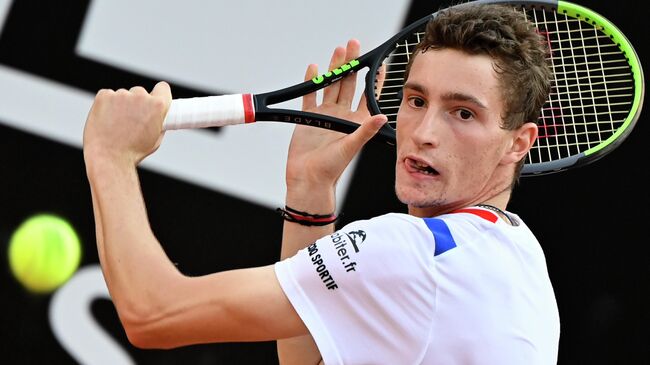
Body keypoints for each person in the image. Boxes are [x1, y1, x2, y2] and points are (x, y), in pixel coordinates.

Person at [83, 3, 559, 365]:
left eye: (463, 113)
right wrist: (310, 193)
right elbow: (306, 359)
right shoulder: (519, 256)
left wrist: (111, 156)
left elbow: (152, 314)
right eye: (415, 101)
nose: (426, 133)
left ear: (519, 143)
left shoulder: (415, 252)